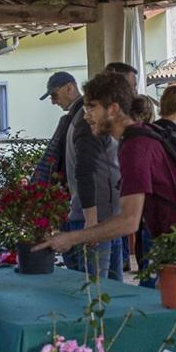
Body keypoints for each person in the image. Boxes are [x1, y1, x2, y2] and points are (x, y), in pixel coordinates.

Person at [38, 72, 176, 260]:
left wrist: (72, 237)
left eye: (91, 108)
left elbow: (129, 221)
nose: (86, 117)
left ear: (112, 109)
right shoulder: (134, 138)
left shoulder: (135, 146)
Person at [41, 71, 122, 280]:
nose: (53, 102)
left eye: (54, 95)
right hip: (95, 216)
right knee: (97, 289)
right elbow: (85, 170)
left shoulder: (79, 120)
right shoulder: (83, 122)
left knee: (101, 289)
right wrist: (92, 221)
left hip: (99, 217)